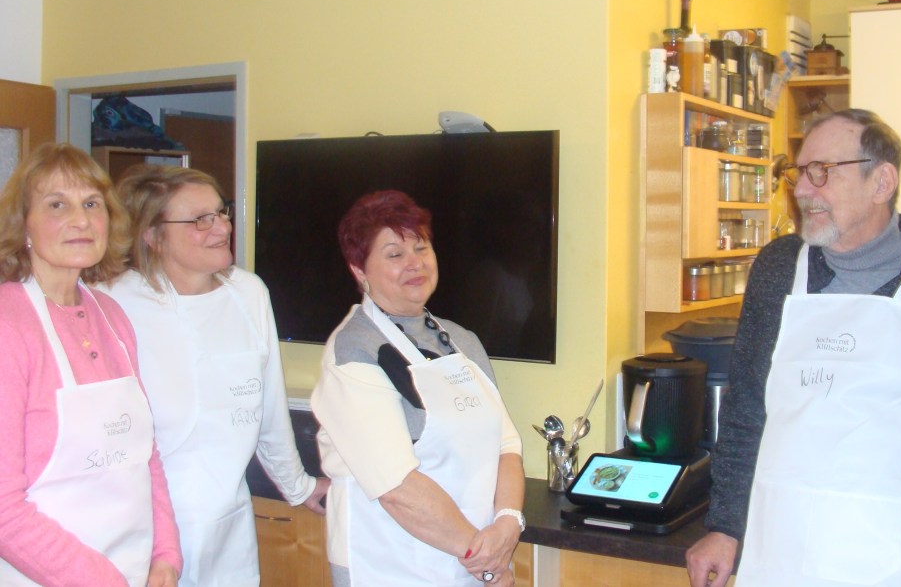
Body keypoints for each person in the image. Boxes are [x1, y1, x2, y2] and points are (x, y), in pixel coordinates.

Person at [686, 109, 901, 587]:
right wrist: (725, 526)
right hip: (784, 561)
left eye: (822, 171)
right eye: (800, 172)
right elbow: (745, 414)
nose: (803, 190)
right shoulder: (777, 270)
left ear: (881, 182)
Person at [100, 165, 329, 587]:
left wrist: (298, 486)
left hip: (228, 528)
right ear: (152, 236)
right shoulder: (112, 302)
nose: (222, 227)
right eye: (199, 220)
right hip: (143, 534)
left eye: (221, 212)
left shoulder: (248, 292)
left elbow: (267, 407)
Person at [312, 189, 525, 587]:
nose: (415, 263)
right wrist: (486, 561)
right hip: (392, 566)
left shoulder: (461, 340)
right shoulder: (355, 350)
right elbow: (396, 486)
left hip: (471, 561)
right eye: (394, 254)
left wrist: (508, 523)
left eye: (421, 247)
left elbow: (506, 445)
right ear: (359, 271)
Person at [0, 143, 181, 586]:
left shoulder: (112, 316)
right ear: (23, 224)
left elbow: (145, 455)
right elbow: (3, 509)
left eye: (91, 204)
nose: (80, 220)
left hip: (132, 568)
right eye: (56, 204)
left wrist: (165, 555)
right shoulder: (8, 324)